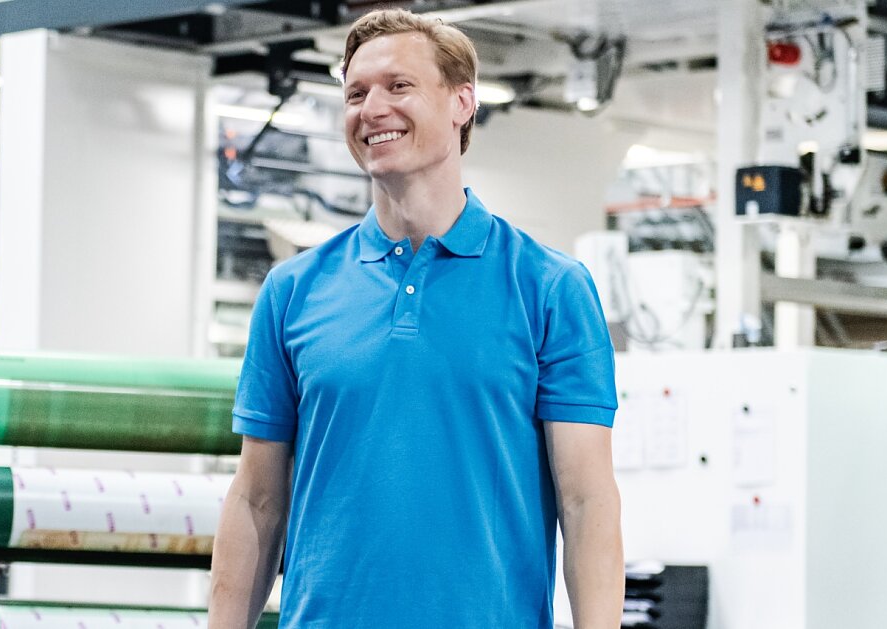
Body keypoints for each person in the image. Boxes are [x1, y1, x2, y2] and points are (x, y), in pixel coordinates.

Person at [208, 8, 623, 629]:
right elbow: (257, 501)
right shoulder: (292, 291)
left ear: (462, 103)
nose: (372, 109)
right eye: (356, 93)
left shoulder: (549, 288)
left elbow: (587, 502)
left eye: (398, 86)